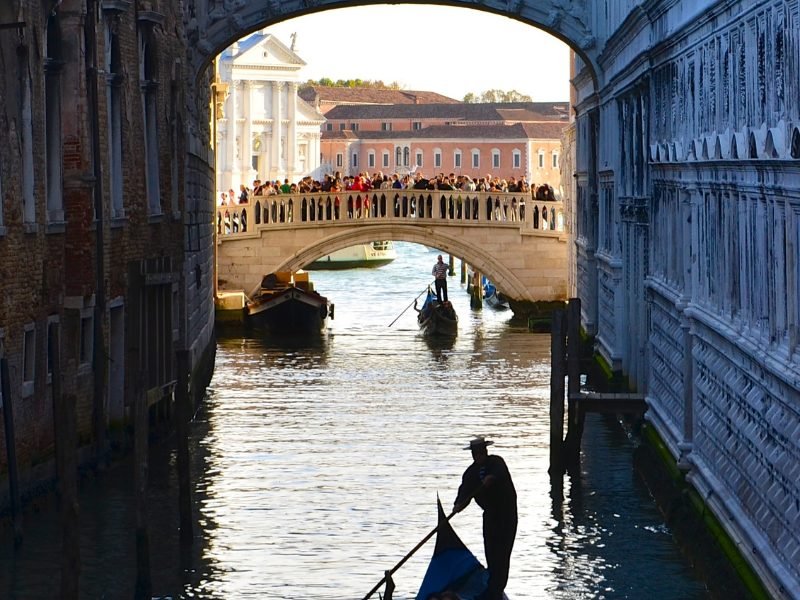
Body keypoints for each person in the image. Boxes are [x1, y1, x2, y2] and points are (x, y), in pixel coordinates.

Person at [453, 437, 517, 600]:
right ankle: (492, 588)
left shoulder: (496, 463)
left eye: (481, 452)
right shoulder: (470, 473)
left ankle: (495, 590)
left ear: (486, 451)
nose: (479, 455)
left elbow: (497, 474)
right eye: (476, 453)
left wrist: (490, 478)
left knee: (502, 554)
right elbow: (464, 493)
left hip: (507, 515)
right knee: (491, 553)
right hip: (490, 516)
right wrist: (458, 505)